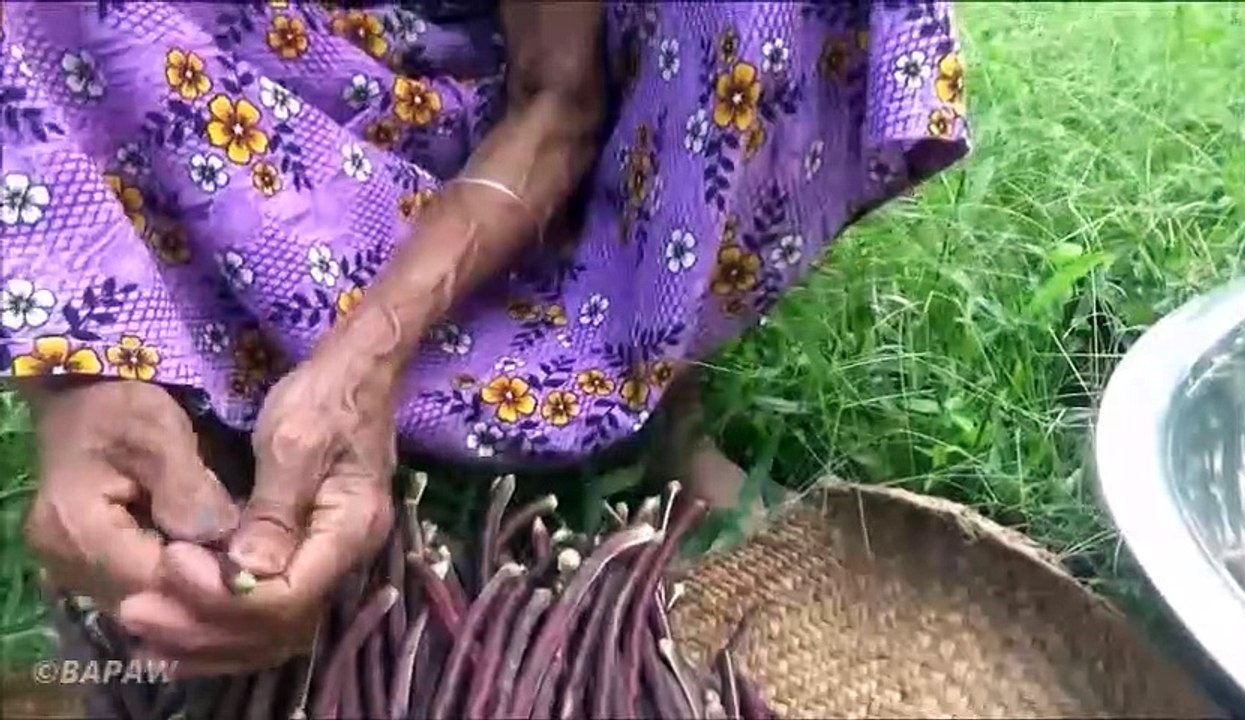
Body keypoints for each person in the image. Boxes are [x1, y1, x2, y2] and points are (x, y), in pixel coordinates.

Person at [0, 0, 969, 676]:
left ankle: (641, 389)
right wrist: (81, 377)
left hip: (525, 90)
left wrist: (363, 366)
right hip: (237, 84)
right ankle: (182, 395)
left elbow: (560, 93)